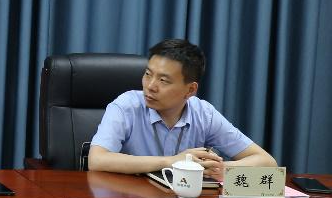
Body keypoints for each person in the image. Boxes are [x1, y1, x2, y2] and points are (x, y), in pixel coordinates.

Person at [87, 37, 275, 180]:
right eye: (148, 74)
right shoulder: (126, 106)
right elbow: (96, 160)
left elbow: (267, 163)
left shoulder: (204, 114)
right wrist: (171, 162)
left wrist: (220, 168)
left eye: (163, 80)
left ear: (190, 90)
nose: (150, 86)